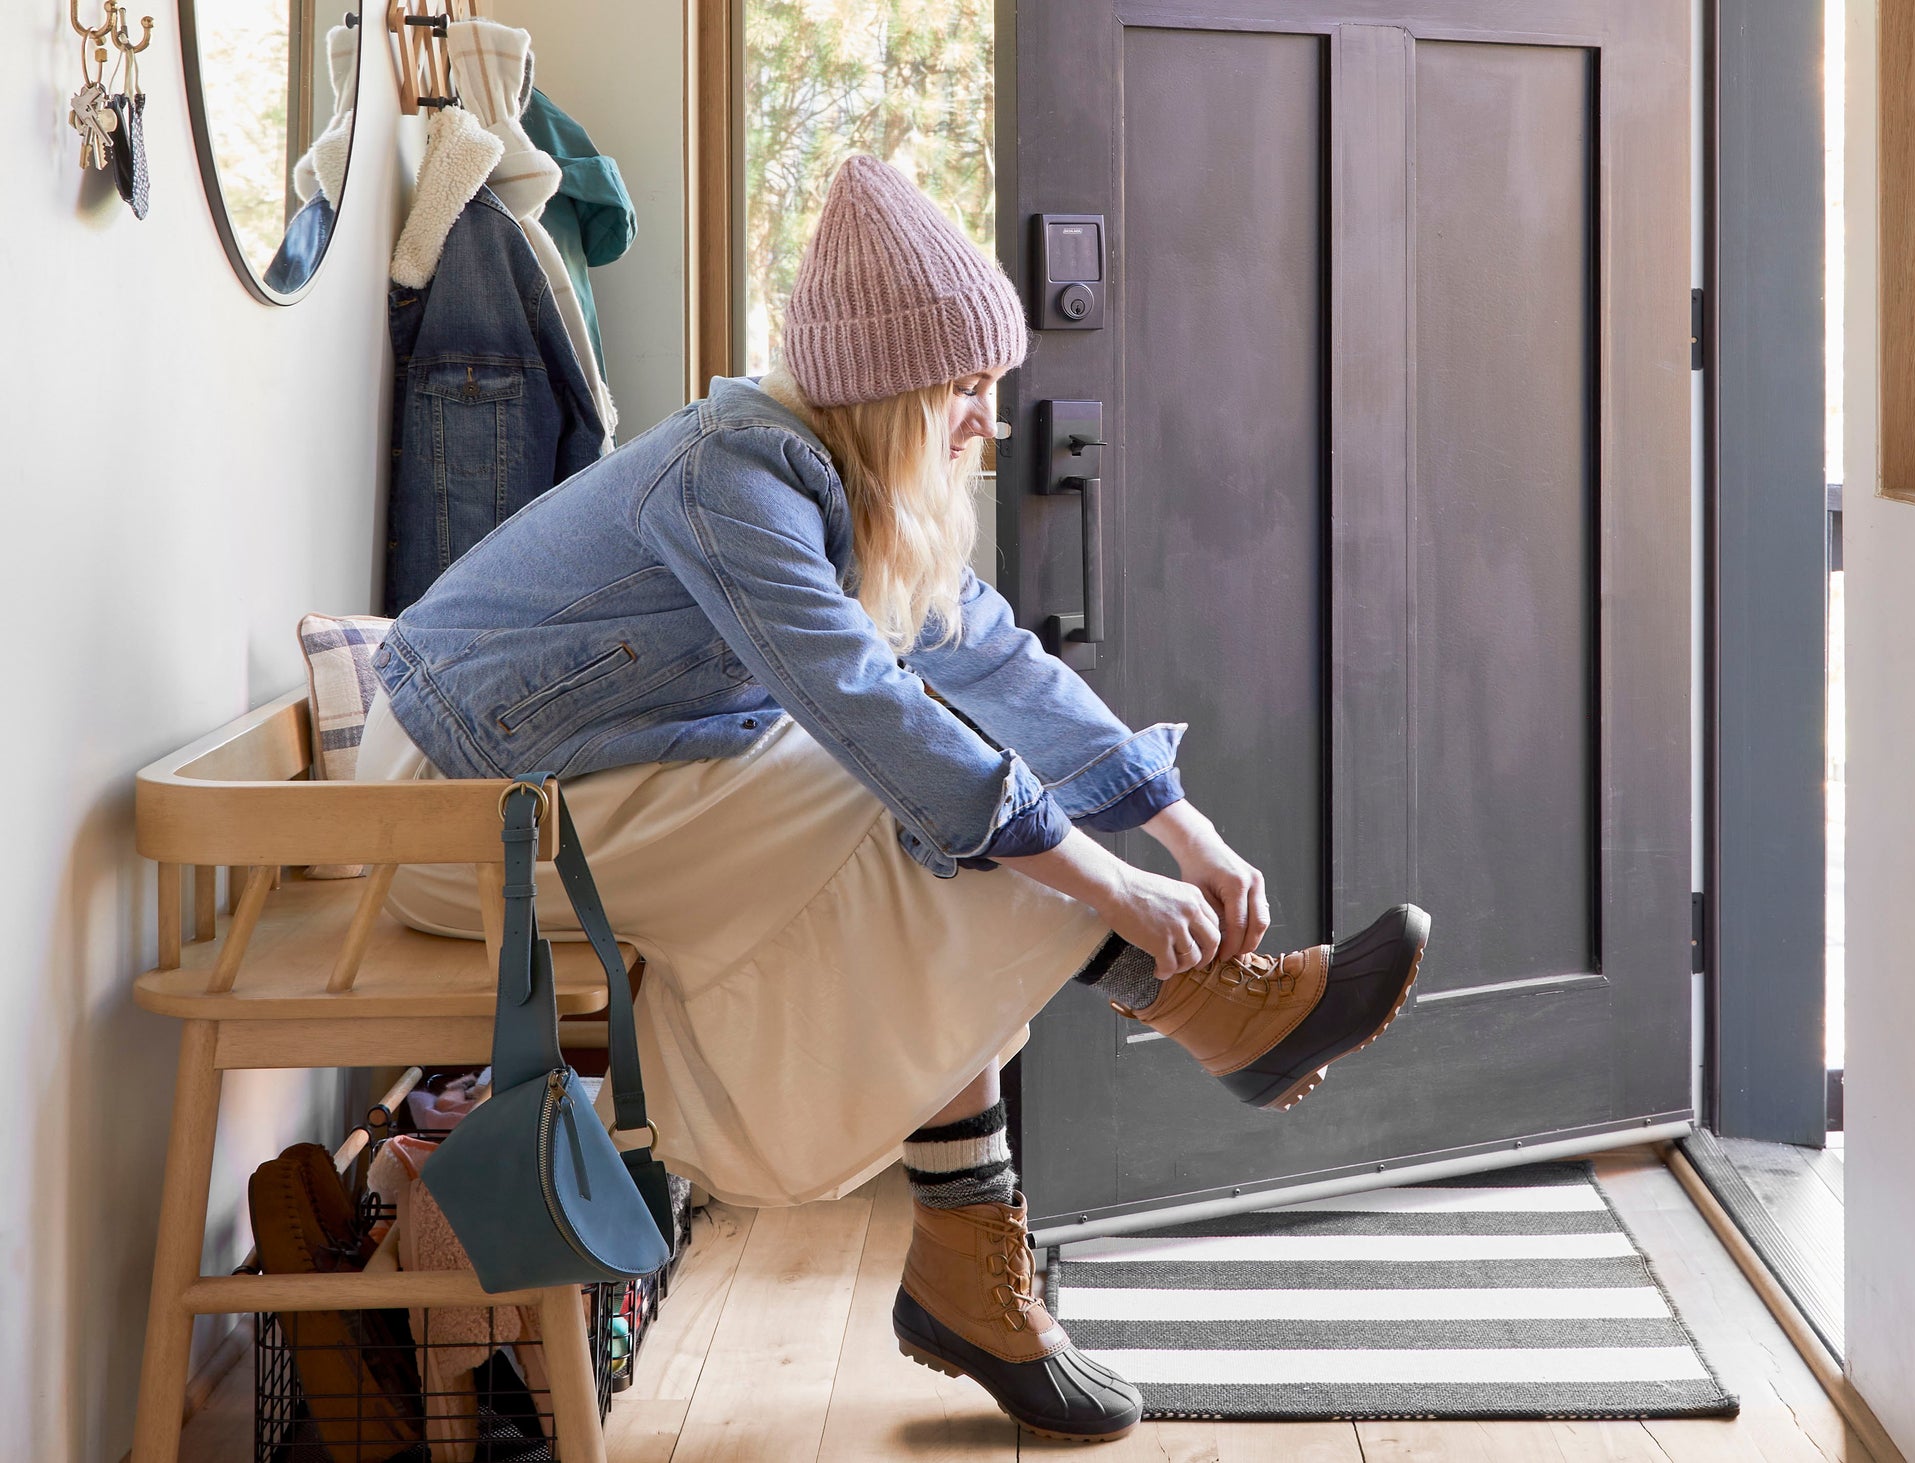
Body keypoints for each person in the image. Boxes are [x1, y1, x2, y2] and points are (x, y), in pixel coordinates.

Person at [357, 155, 1431, 1443]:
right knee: (915, 796)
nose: (989, 422)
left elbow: (993, 659)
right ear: (888, 389)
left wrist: (1181, 832)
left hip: (600, 773)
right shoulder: (730, 480)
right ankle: (1176, 1033)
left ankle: (994, 1238)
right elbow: (868, 706)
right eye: (967, 391)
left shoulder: (853, 487)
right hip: (454, 805)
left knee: (944, 796)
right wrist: (1117, 891)